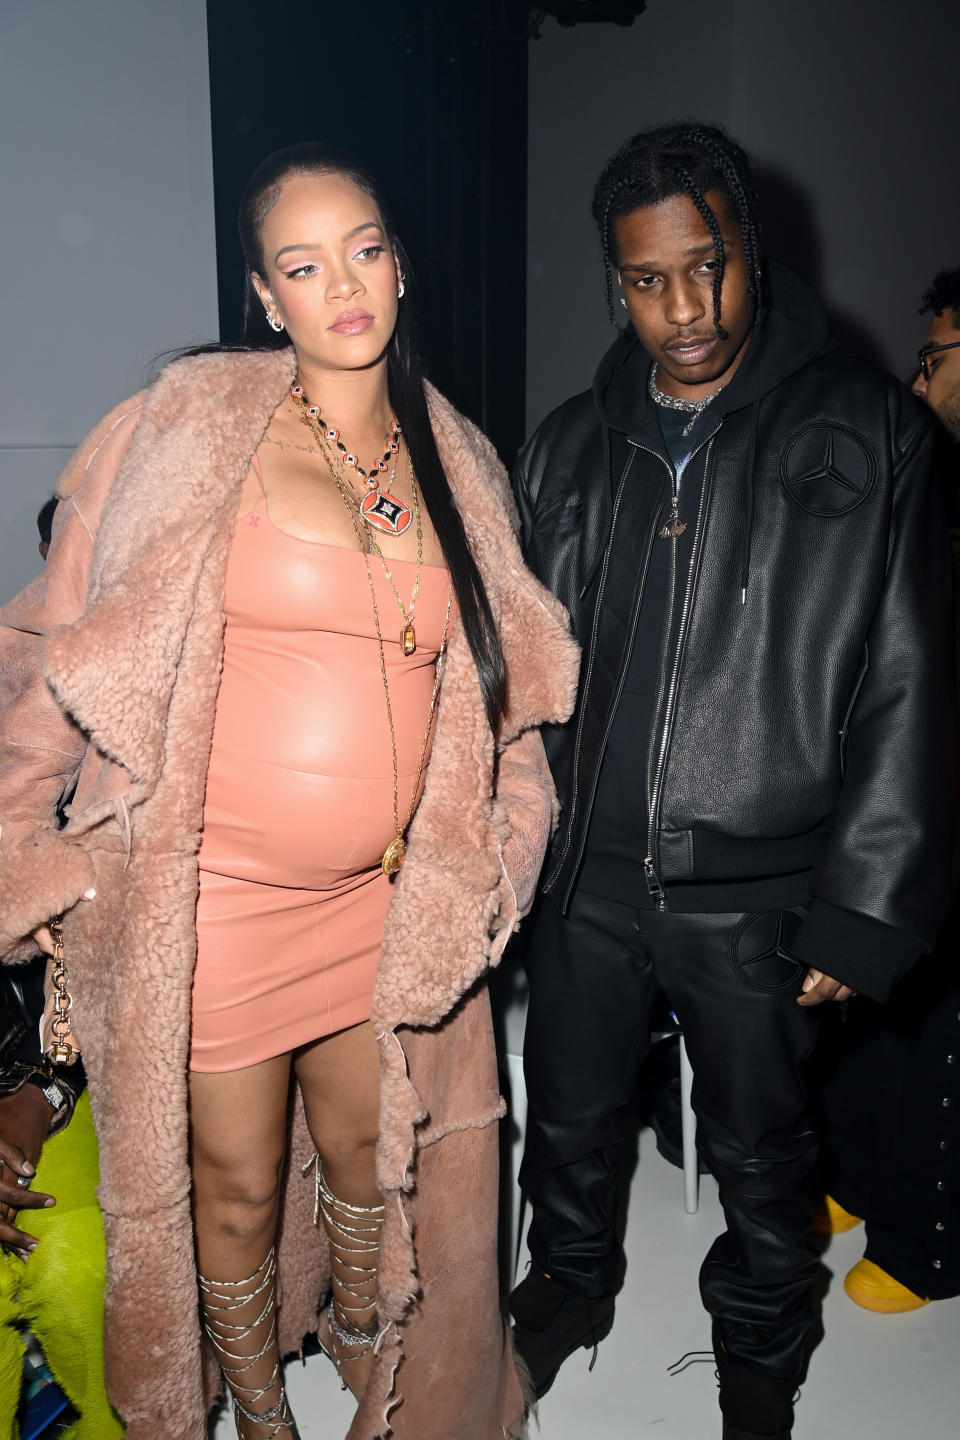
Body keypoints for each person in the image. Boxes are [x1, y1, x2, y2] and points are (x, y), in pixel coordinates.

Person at [0, 143, 578, 1440]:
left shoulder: (462, 466)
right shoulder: (186, 432)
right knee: (239, 1195)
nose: (344, 285)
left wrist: (493, 866)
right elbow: (49, 644)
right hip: (224, 911)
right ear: (265, 294)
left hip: (383, 912)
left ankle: (383, 1382)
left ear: (401, 261)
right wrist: (17, 848)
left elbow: (515, 710)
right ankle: (260, 1416)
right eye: (304, 265)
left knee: (380, 1181)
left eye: (365, 249)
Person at [508, 122, 954, 1440]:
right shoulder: (570, 445)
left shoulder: (872, 432)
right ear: (617, 283)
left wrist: (863, 903)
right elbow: (526, 669)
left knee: (765, 1150)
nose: (684, 309)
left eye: (707, 268)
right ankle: (570, 1291)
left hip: (759, 887)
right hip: (587, 873)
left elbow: (913, 681)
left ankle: (761, 1340)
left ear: (752, 251)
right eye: (649, 280)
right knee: (573, 1120)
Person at [812, 266, 960, 1314]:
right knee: (869, 997)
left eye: (935, 358)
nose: (916, 381)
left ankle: (933, 1240)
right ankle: (857, 1179)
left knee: (940, 1028)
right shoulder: (929, 476)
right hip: (907, 781)